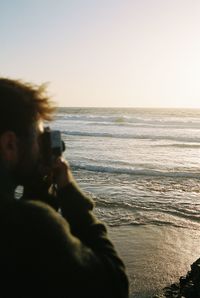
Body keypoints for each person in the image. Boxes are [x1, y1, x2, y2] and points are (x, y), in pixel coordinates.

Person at [0, 78, 129, 298]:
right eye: (38, 136)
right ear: (10, 144)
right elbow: (114, 284)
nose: (41, 146)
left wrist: (38, 188)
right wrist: (68, 191)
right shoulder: (30, 223)